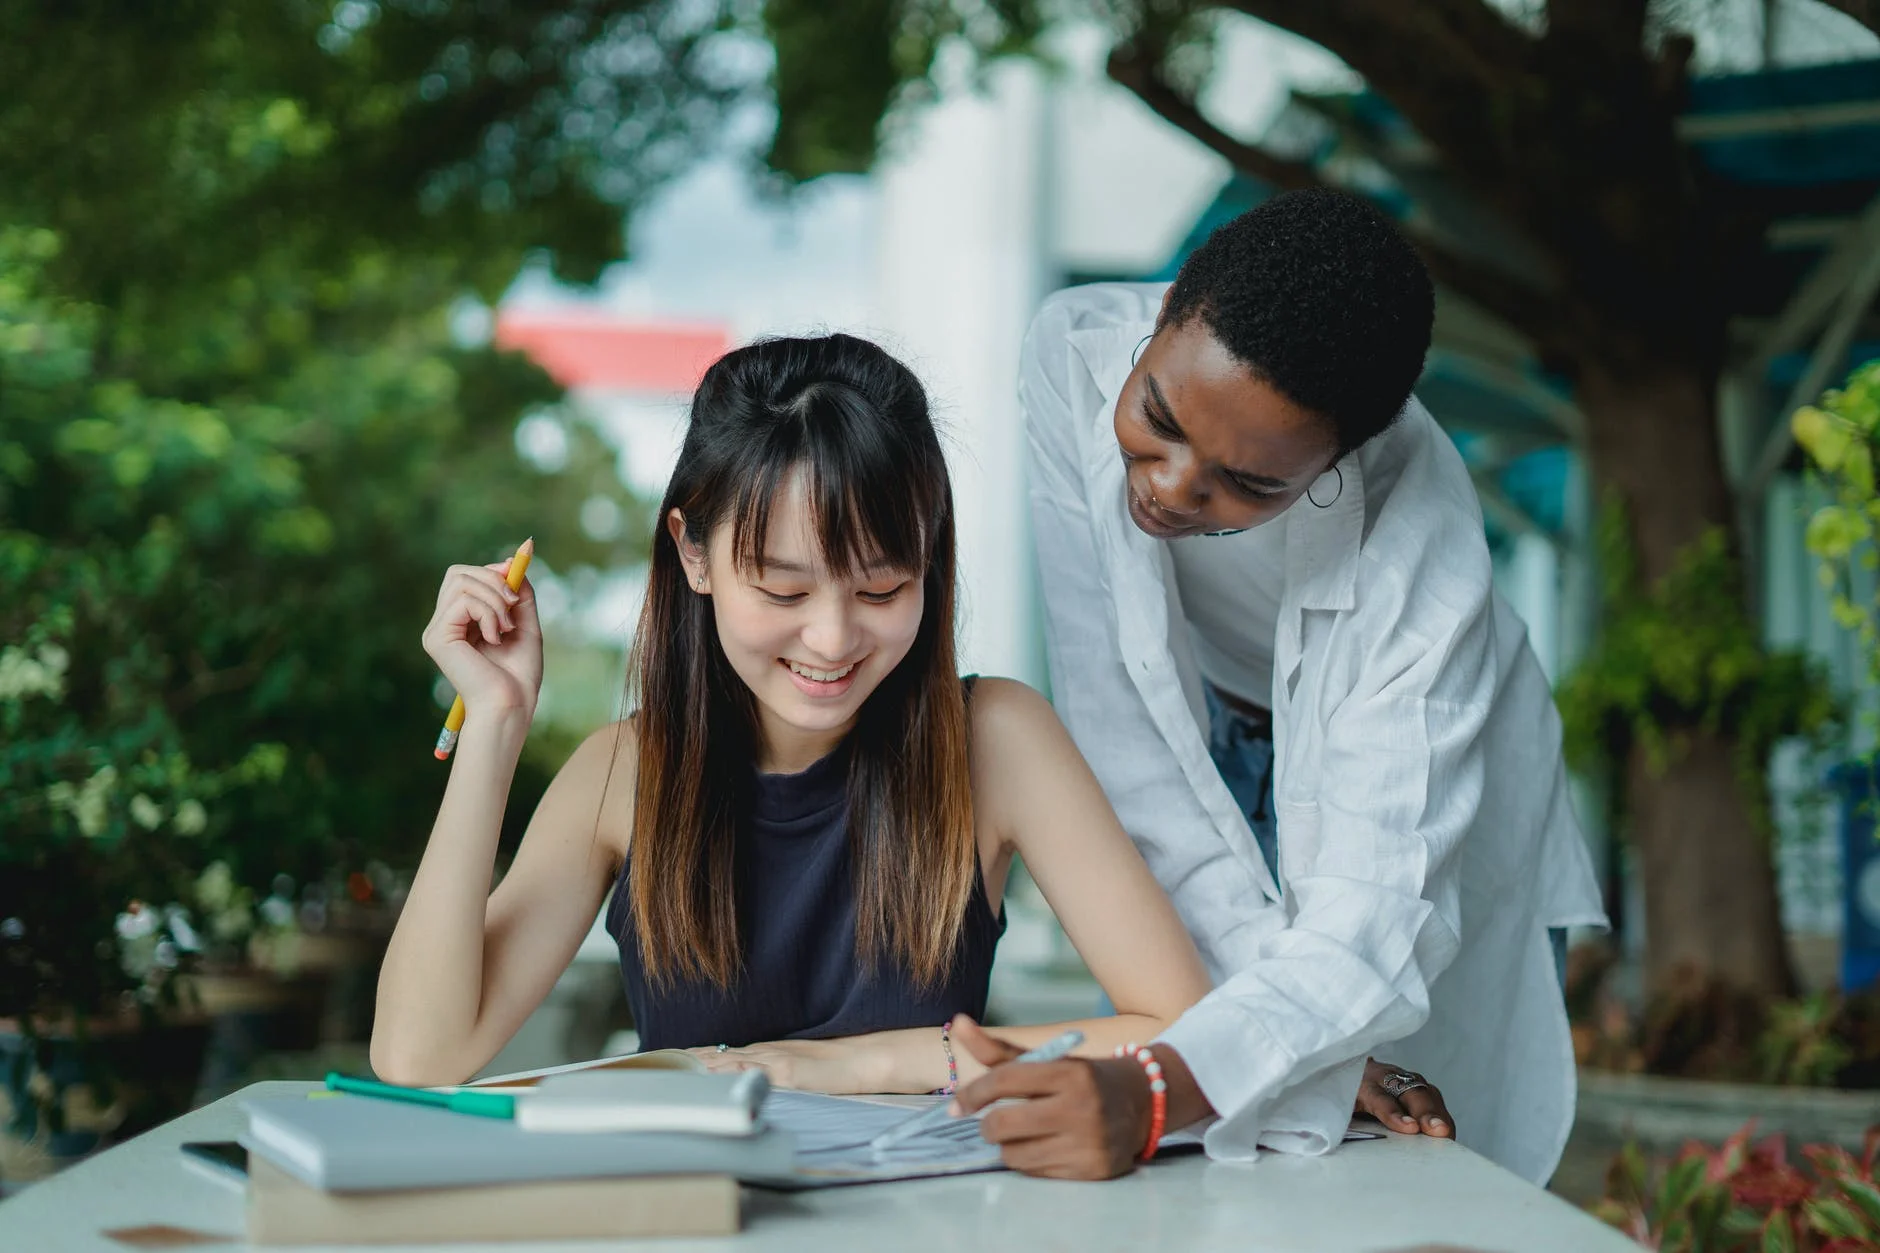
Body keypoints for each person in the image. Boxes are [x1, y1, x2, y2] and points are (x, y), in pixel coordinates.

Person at [950, 189, 1606, 1186]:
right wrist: (1247, 1058)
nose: (1168, 487)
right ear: (1163, 318)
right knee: (1222, 1134)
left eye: (1248, 484)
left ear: (1339, 461)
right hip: (1214, 730)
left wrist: (1167, 1082)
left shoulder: (1418, 561)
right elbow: (1120, 728)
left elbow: (1372, 926)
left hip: (1411, 788)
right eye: (1157, 418)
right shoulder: (1076, 353)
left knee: (1410, 1163)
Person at [370, 332, 1222, 1098]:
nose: (833, 636)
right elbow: (419, 1056)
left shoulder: (995, 737)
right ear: (693, 554)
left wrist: (869, 1062)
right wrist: (495, 717)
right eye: (783, 588)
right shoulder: (624, 772)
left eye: (883, 586)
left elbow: (1187, 1030)